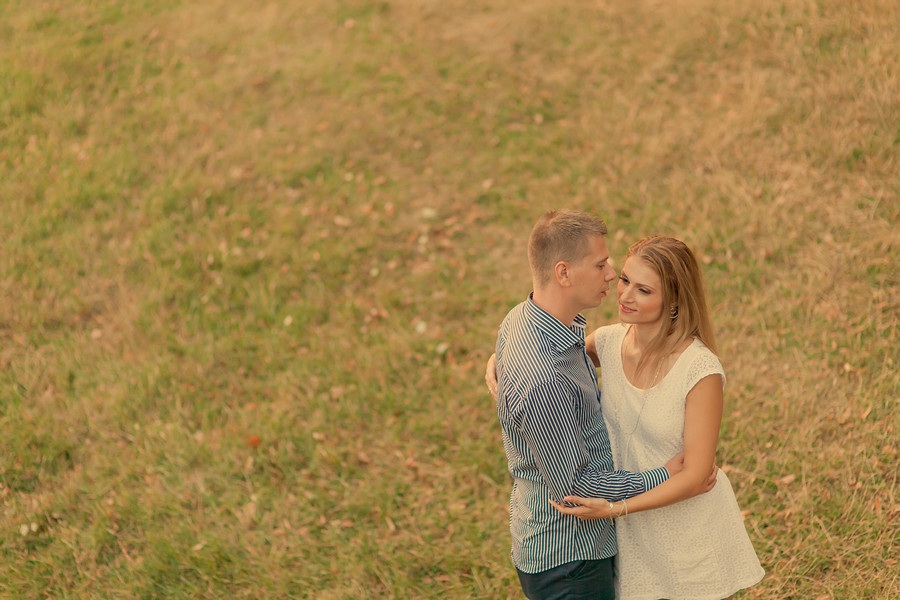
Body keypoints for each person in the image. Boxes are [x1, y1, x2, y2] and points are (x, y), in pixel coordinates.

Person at [490, 234, 765, 599]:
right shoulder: (607, 342)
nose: (625, 296)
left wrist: (617, 507)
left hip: (681, 524)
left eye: (644, 291)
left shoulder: (700, 370)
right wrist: (496, 363)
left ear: (675, 301)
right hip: (629, 527)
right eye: (624, 281)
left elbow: (697, 476)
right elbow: (544, 356)